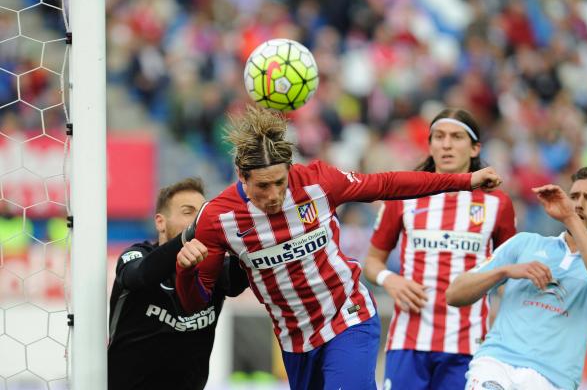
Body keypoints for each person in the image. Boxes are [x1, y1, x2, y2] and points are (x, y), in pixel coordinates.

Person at [175, 105, 504, 390]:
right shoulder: (218, 219)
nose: (274, 195)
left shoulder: (318, 182)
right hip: (295, 338)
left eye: (280, 182)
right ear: (241, 177)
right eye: (263, 186)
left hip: (348, 315)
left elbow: (386, 184)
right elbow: (195, 302)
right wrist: (185, 271)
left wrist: (464, 180)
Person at [364, 109, 516, 389]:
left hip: (469, 345)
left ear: (474, 148)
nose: (446, 144)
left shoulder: (498, 203)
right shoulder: (403, 196)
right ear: (430, 144)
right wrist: (391, 280)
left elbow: (509, 278)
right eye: (439, 137)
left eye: (457, 137)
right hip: (408, 341)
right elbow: (372, 262)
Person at [446, 167, 587, 390]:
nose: (579, 204)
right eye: (574, 197)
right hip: (496, 364)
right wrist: (505, 271)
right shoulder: (525, 243)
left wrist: (571, 217)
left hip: (552, 380)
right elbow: (454, 294)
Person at [108, 178, 249, 390]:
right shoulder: (137, 255)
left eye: (202, 213)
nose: (199, 220)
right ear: (160, 222)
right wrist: (190, 235)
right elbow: (140, 275)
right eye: (188, 212)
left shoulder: (213, 265)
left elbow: (236, 283)